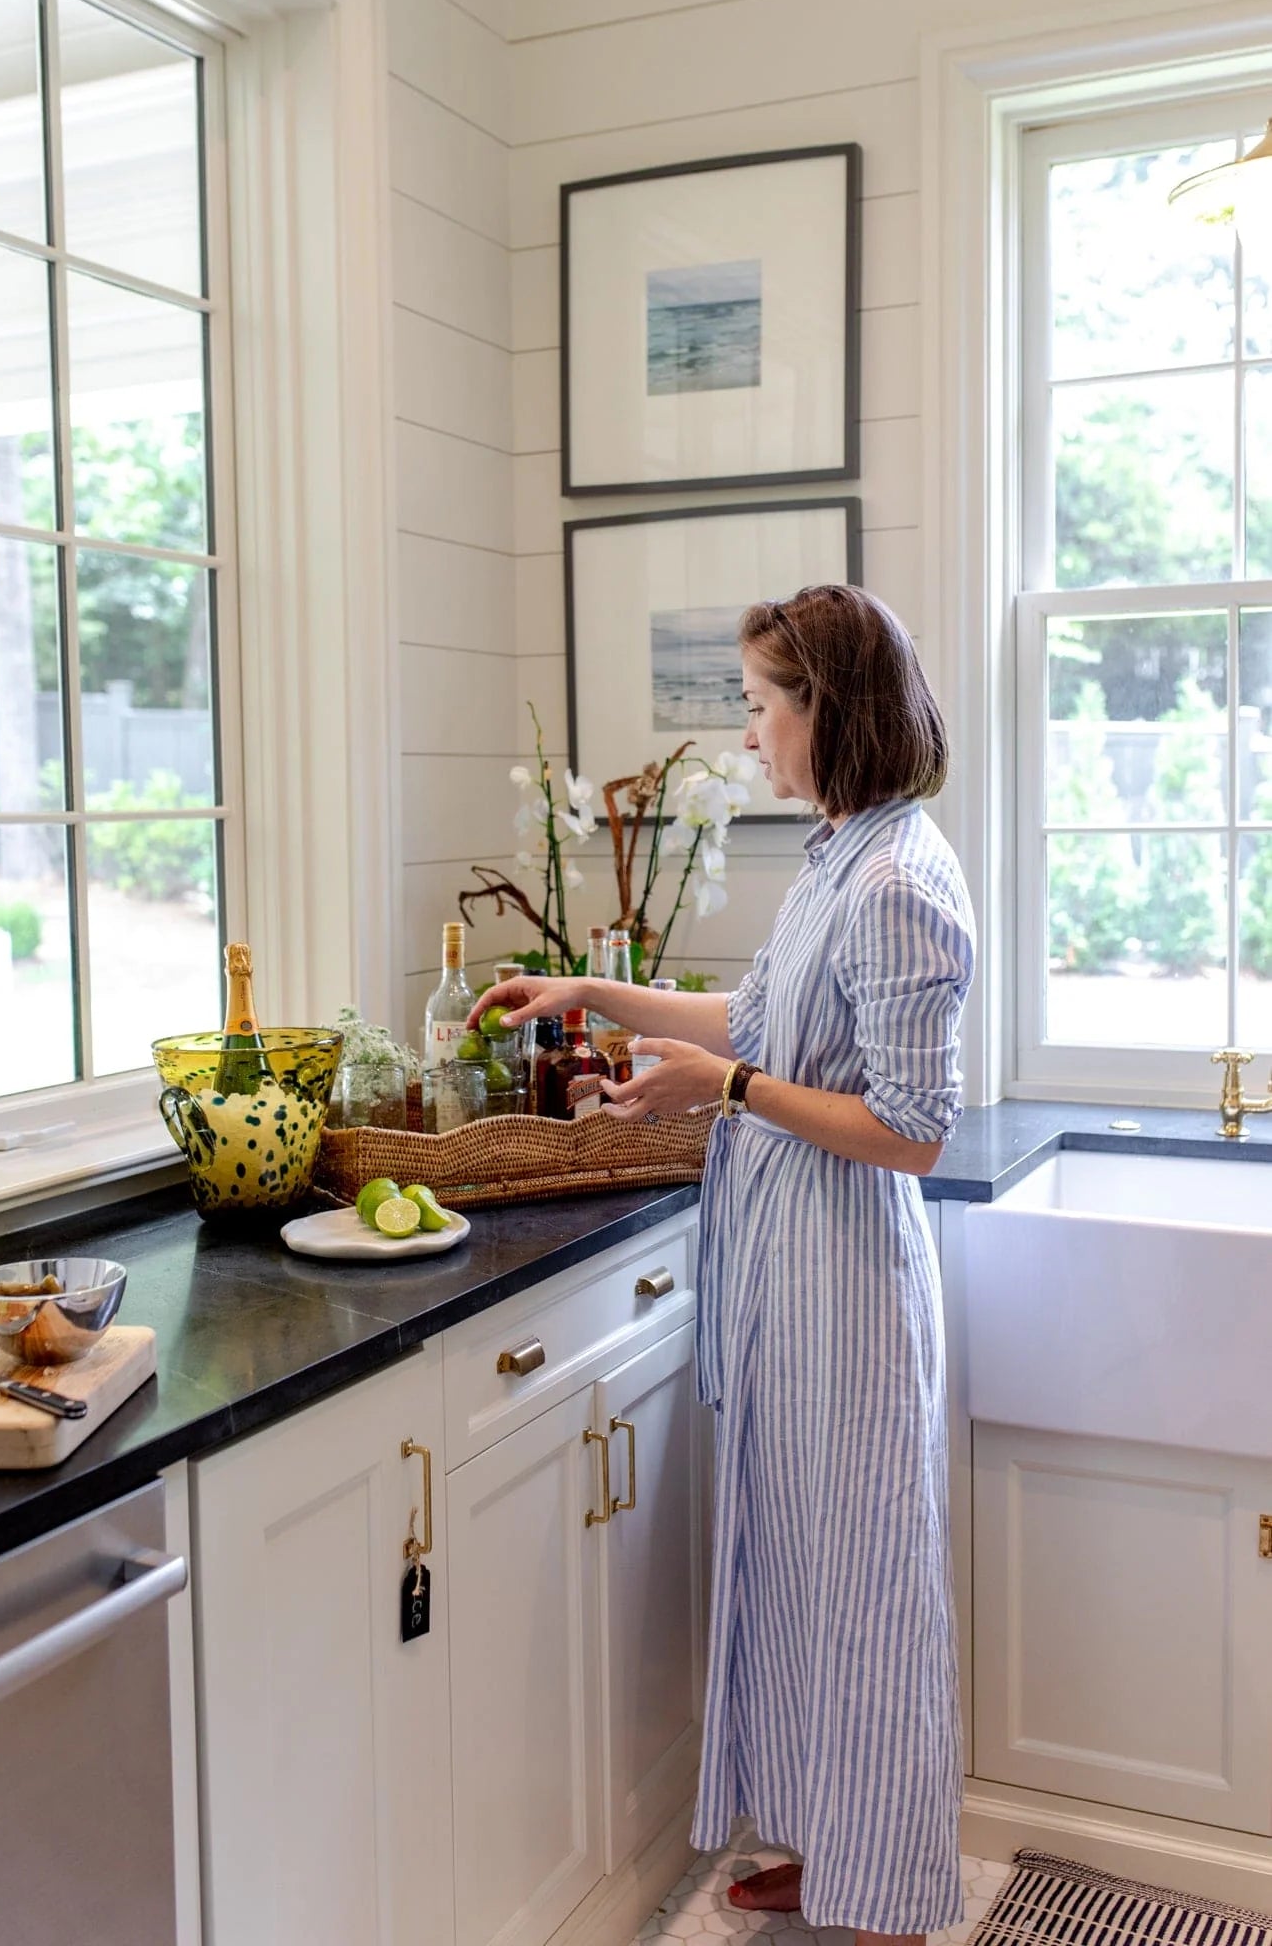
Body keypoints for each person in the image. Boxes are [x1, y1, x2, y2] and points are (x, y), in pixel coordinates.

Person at [466, 584, 975, 1942]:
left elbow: (913, 1132)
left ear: (829, 708)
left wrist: (728, 1090)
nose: (748, 736)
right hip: (792, 1287)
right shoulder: (837, 856)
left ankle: (890, 1903)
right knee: (804, 1582)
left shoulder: (892, 883)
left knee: (863, 1600)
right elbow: (751, 1018)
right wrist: (593, 993)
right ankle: (835, 1846)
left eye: (760, 704)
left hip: (846, 1295)